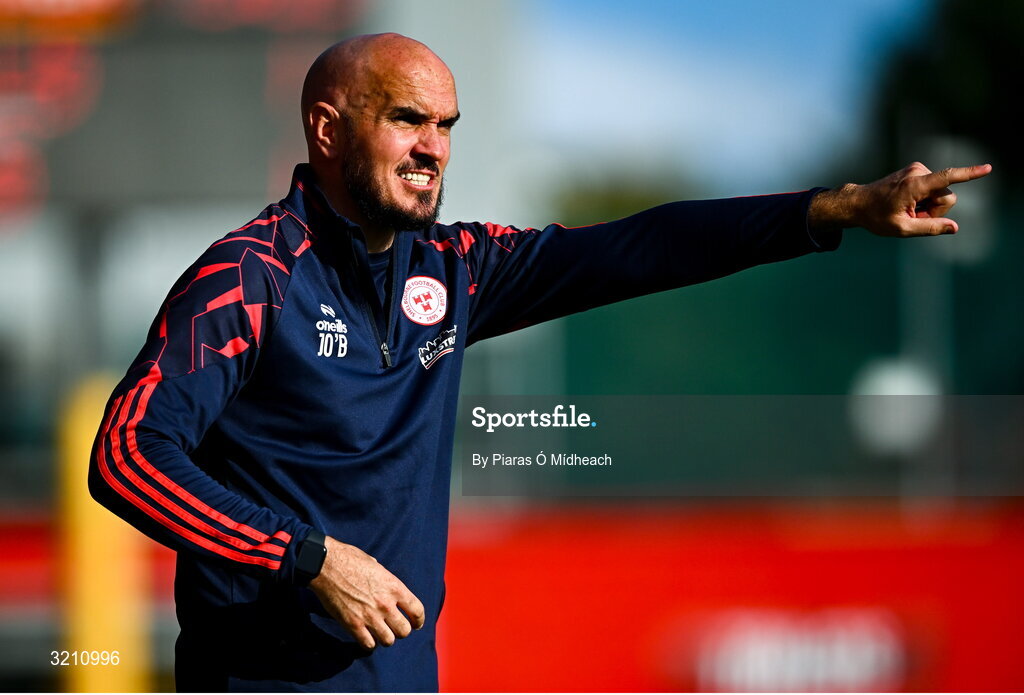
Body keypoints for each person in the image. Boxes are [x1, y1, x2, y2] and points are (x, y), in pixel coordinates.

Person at [88, 32, 991, 692]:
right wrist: (309, 557)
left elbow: (636, 248)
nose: (434, 147)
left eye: (445, 123)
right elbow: (126, 456)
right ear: (327, 129)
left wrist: (833, 209)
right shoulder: (248, 278)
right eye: (407, 120)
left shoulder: (453, 265)